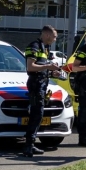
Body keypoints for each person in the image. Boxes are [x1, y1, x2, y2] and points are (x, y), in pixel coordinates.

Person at [23, 25, 62, 158]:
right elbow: (30, 67)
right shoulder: (34, 46)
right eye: (54, 36)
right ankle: (28, 146)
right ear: (47, 35)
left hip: (42, 84)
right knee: (36, 114)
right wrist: (48, 66)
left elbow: (42, 68)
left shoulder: (46, 48)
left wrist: (52, 72)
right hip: (35, 85)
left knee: (38, 115)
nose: (55, 39)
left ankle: (31, 144)